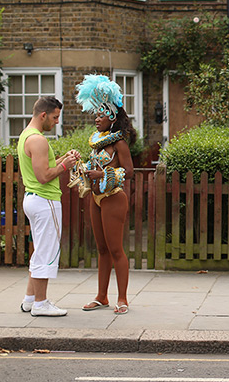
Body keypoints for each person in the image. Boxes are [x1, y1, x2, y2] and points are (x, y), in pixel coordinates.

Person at [76, 75, 135, 315]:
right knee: (100, 249)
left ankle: (122, 299)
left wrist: (101, 176)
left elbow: (129, 172)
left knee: (115, 249)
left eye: (100, 115)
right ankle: (102, 296)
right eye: (95, 115)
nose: (96, 119)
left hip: (113, 198)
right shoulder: (97, 142)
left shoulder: (119, 143)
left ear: (112, 117)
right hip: (96, 199)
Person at [18, 97, 80, 316]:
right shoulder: (39, 140)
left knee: (39, 250)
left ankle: (30, 299)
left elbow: (45, 167)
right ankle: (41, 304)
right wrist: (65, 165)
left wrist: (65, 158)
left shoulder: (26, 135)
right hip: (45, 200)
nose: (56, 122)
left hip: (33, 199)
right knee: (47, 252)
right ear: (43, 115)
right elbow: (44, 176)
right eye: (54, 117)